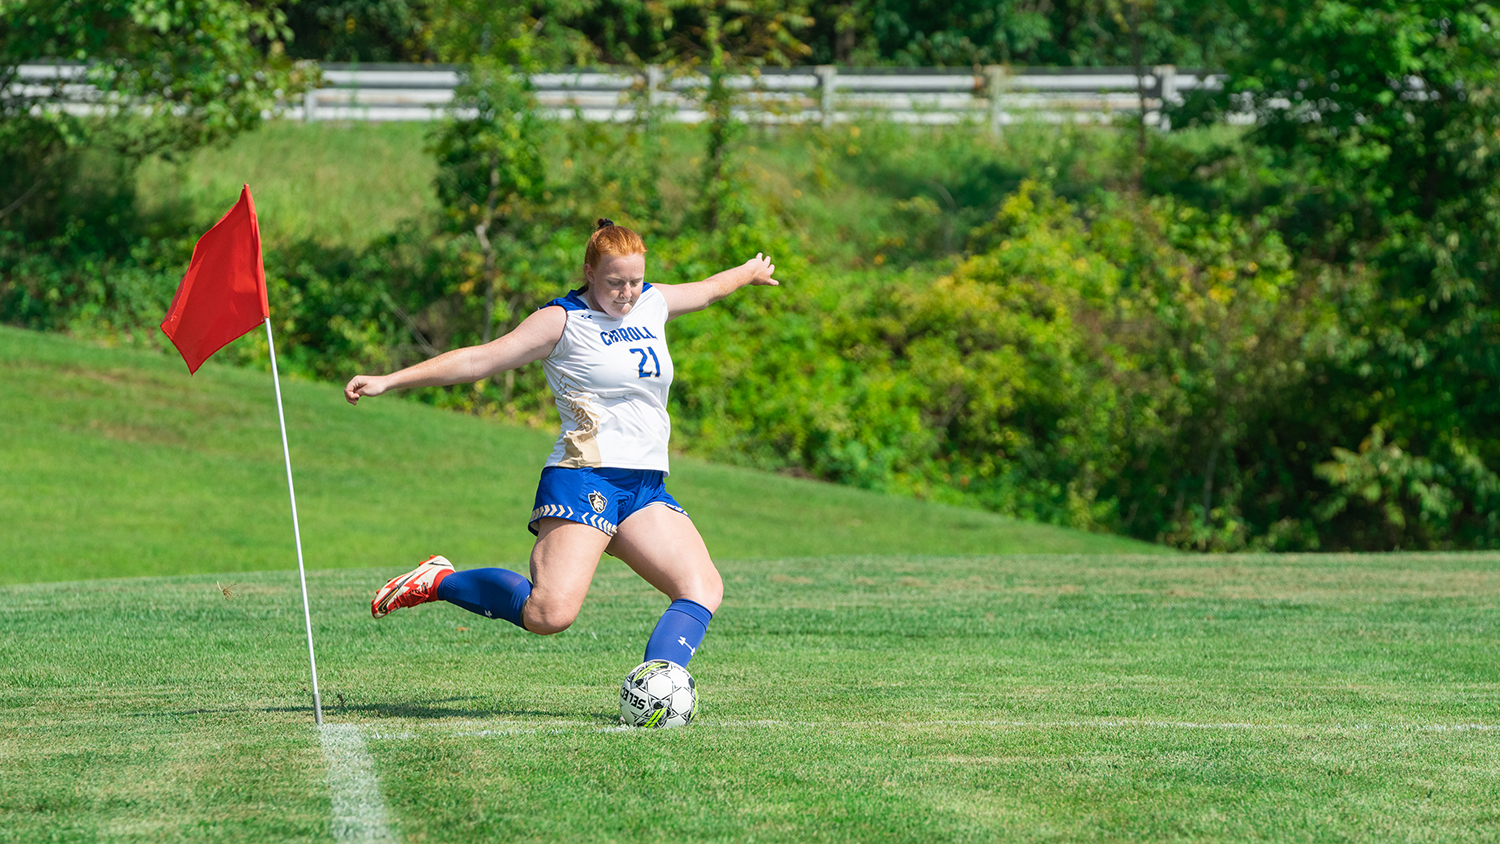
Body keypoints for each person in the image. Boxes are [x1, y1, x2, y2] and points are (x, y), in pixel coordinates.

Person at [343, 219, 778, 671]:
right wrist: (389, 380)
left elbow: (706, 290)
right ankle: (439, 581)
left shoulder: (651, 303)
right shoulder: (562, 321)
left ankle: (660, 688)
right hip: (584, 477)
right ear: (590, 272)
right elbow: (478, 359)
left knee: (702, 587)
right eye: (615, 282)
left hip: (644, 484)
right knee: (548, 614)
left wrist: (748, 272)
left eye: (636, 280)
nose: (627, 292)